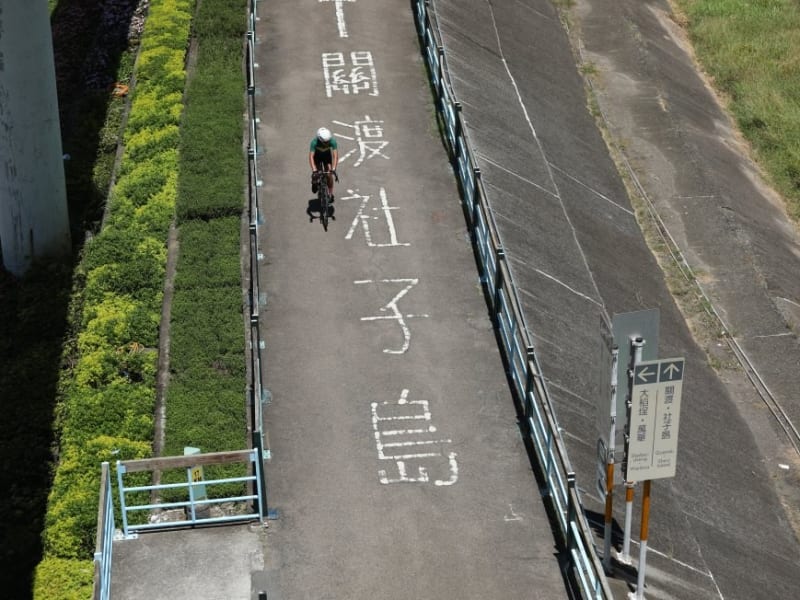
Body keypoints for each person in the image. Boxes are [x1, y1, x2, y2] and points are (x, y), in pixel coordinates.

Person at [309, 127, 339, 201]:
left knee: (329, 174)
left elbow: (335, 156)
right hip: (317, 157)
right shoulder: (314, 142)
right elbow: (311, 157)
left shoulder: (333, 141)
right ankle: (314, 182)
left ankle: (330, 193)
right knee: (316, 173)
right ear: (319, 139)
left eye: (328, 141)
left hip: (327, 156)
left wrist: (334, 168)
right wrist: (314, 170)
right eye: (325, 142)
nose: (327, 143)